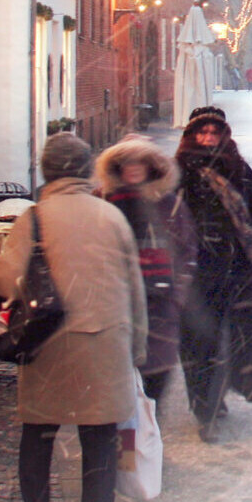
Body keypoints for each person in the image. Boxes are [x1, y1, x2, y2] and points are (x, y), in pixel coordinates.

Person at [0, 133, 146, 502]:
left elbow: (4, 278)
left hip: (50, 347)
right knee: (100, 444)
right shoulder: (111, 218)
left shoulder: (34, 218)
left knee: (38, 437)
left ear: (46, 171)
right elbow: (135, 290)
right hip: (106, 346)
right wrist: (139, 347)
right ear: (84, 168)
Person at [175, 105, 252, 440]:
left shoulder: (239, 171)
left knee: (227, 340)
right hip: (195, 272)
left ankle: (212, 399)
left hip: (233, 270)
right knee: (198, 342)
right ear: (192, 135)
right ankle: (204, 407)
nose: (209, 139)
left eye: (215, 133)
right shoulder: (177, 174)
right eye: (203, 132)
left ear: (224, 135)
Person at [95, 133, 198, 403]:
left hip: (159, 308)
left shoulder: (169, 205)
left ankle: (146, 439)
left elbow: (186, 253)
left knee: (153, 388)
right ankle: (121, 442)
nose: (134, 167)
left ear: (152, 165)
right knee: (115, 391)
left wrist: (177, 296)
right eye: (127, 161)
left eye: (140, 160)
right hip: (113, 307)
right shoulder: (103, 203)